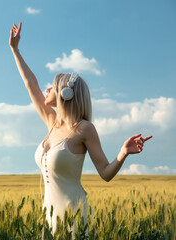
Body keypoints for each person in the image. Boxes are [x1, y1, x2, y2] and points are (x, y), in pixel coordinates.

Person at [9, 22, 152, 238]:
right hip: (48, 218)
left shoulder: (84, 129)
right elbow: (31, 85)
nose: (46, 89)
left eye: (53, 86)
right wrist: (15, 49)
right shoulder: (51, 123)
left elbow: (105, 172)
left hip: (76, 219)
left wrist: (123, 153)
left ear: (66, 94)